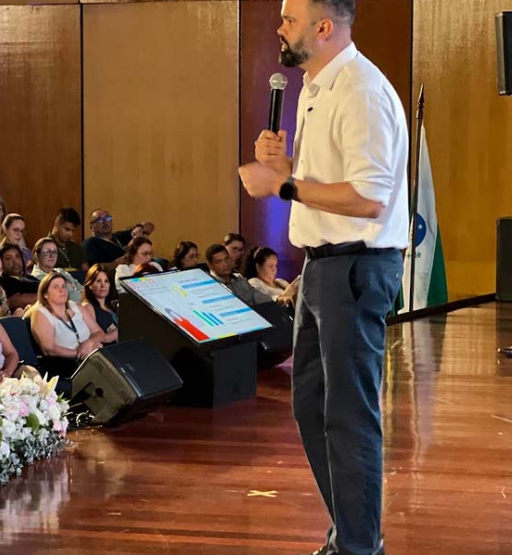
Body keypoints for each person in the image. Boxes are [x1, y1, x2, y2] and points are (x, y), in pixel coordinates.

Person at [237, 2, 407, 552]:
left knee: (348, 416)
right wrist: (286, 169)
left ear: (324, 27)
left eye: (289, 19)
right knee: (311, 405)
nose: (279, 27)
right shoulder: (314, 87)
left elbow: (370, 197)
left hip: (355, 266)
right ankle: (352, 535)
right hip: (320, 267)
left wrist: (282, 186)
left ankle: (358, 547)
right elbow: (326, 182)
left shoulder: (360, 90)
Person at [29, 272, 105, 378]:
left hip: (91, 357)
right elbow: (50, 349)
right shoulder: (40, 314)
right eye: (56, 287)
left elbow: (99, 333)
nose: (62, 290)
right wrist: (81, 353)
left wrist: (89, 343)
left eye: (63, 286)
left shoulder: (76, 306)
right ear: (45, 294)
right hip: (66, 366)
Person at [204, 244, 271, 307]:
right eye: (219, 261)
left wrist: (276, 300)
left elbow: (258, 296)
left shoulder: (240, 279)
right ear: (210, 265)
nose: (225, 264)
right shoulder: (211, 287)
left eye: (226, 259)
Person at [30, 238, 83, 302]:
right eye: (47, 252)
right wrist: (79, 293)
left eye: (54, 252)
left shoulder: (59, 270)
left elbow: (80, 287)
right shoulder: (37, 277)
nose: (52, 256)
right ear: (37, 255)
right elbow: (69, 298)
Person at [80, 265, 118, 344]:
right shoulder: (88, 306)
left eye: (106, 281)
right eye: (98, 281)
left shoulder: (110, 305)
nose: (103, 285)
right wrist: (118, 332)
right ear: (90, 285)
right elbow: (94, 338)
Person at [0, 243, 40, 313]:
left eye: (17, 256)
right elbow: (17, 301)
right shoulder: (3, 281)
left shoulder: (31, 278)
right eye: (8, 258)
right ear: (0, 263)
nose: (15, 261)